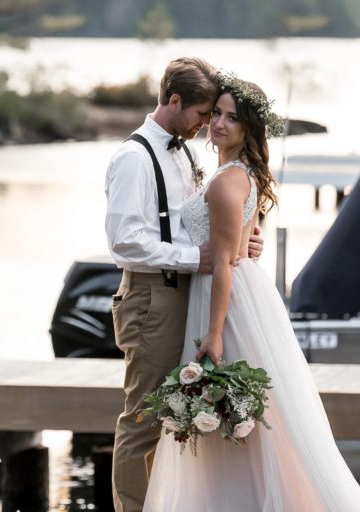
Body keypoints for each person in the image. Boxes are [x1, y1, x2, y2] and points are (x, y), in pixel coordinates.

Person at [143, 73, 360, 511]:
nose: (218, 123)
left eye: (231, 118)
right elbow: (239, 242)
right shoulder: (244, 173)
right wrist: (245, 244)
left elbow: (221, 261)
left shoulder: (224, 181)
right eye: (215, 113)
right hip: (245, 292)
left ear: (248, 128)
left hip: (225, 301)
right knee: (255, 416)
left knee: (233, 414)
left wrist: (213, 336)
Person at [104, 57, 263, 512]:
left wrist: (242, 240)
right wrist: (198, 258)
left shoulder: (184, 151)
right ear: (174, 102)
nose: (207, 124)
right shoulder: (135, 158)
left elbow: (191, 221)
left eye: (217, 115)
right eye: (202, 113)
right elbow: (125, 242)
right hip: (153, 297)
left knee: (175, 416)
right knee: (143, 419)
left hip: (185, 293)